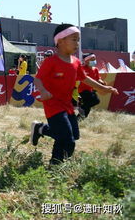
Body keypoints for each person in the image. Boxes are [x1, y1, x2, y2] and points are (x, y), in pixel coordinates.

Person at [30, 24, 118, 165]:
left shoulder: (76, 63)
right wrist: (43, 91)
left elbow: (85, 78)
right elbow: (37, 79)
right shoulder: (51, 62)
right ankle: (56, 164)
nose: (77, 43)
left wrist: (103, 88)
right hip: (53, 105)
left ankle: (40, 128)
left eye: (78, 40)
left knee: (73, 135)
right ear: (60, 41)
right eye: (74, 39)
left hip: (68, 105)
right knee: (67, 139)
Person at [78, 53, 104, 119]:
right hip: (82, 90)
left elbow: (98, 79)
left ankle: (78, 119)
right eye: (92, 59)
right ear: (86, 61)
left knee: (88, 107)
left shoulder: (95, 69)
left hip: (90, 90)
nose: (94, 61)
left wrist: (102, 82)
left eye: (95, 59)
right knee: (96, 101)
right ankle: (81, 107)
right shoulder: (82, 68)